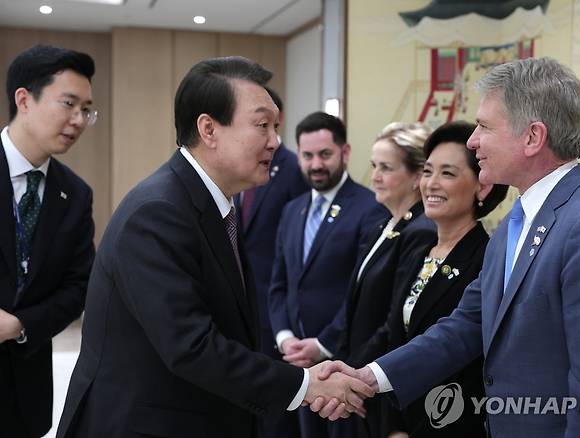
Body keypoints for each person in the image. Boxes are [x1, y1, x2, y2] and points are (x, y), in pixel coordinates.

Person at [320, 57, 580, 437]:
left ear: (532, 137)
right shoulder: (515, 223)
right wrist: (370, 377)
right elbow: (465, 325)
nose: (472, 140)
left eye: (484, 126)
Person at [55, 56, 373, 438]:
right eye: (262, 126)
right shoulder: (159, 212)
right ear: (208, 129)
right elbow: (191, 346)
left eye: (276, 127)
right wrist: (304, 385)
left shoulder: (214, 204)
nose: (275, 142)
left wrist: (301, 376)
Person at [358, 121, 507, 437]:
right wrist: (393, 427)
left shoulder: (488, 258)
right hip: (401, 419)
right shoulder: (418, 251)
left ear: (482, 186)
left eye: (448, 173)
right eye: (427, 172)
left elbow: (471, 359)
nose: (431, 184)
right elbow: (394, 340)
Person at [268, 111, 387, 438]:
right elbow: (279, 286)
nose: (316, 164)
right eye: (307, 156)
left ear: (345, 153)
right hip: (297, 369)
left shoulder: (370, 208)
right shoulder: (292, 211)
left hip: (344, 367)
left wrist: (322, 345)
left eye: (325, 155)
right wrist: (285, 339)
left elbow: (364, 295)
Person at [0, 44, 96, 438]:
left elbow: (79, 287)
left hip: (27, 389)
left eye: (86, 110)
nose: (79, 120)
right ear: (24, 99)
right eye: (68, 104)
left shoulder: (74, 194)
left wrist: (20, 324)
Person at [321, 122, 436, 437]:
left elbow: (394, 322)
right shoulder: (382, 225)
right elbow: (355, 308)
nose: (375, 176)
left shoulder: (421, 232)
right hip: (360, 377)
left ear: (416, 176)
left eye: (386, 167)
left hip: (383, 382)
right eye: (374, 165)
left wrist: (356, 375)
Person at [234, 87, 308, 438]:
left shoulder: (292, 167)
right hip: (239, 298)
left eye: (270, 122)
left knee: (275, 405)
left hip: (273, 303)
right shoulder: (236, 164)